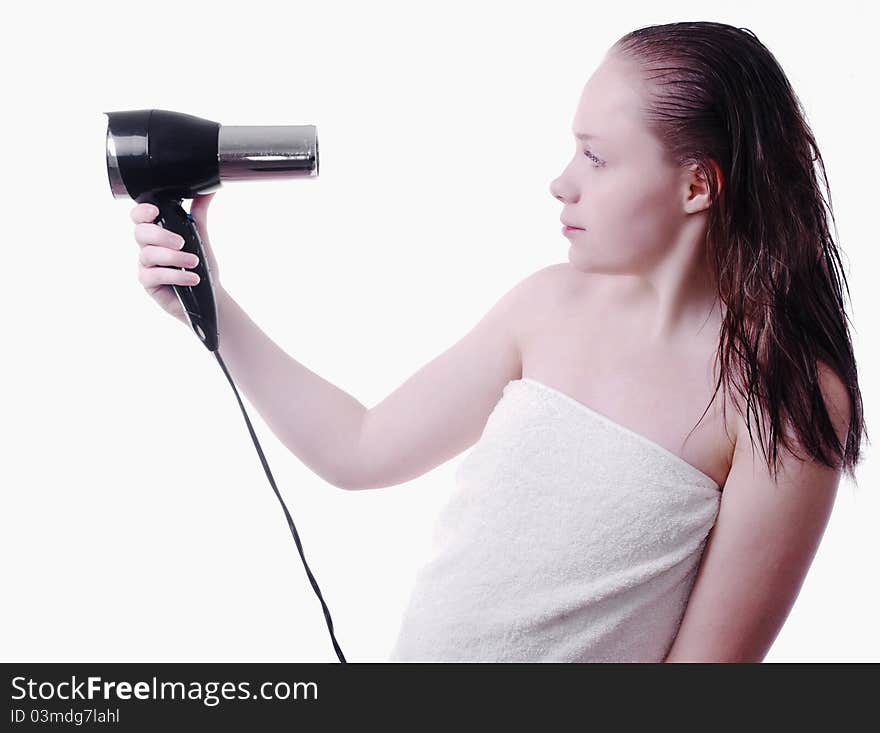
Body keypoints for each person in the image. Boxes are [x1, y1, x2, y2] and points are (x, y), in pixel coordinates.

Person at [130, 21, 866, 662]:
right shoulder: (547, 304)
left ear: (697, 187)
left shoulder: (785, 399)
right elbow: (359, 447)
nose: (560, 182)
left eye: (597, 158)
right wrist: (210, 308)